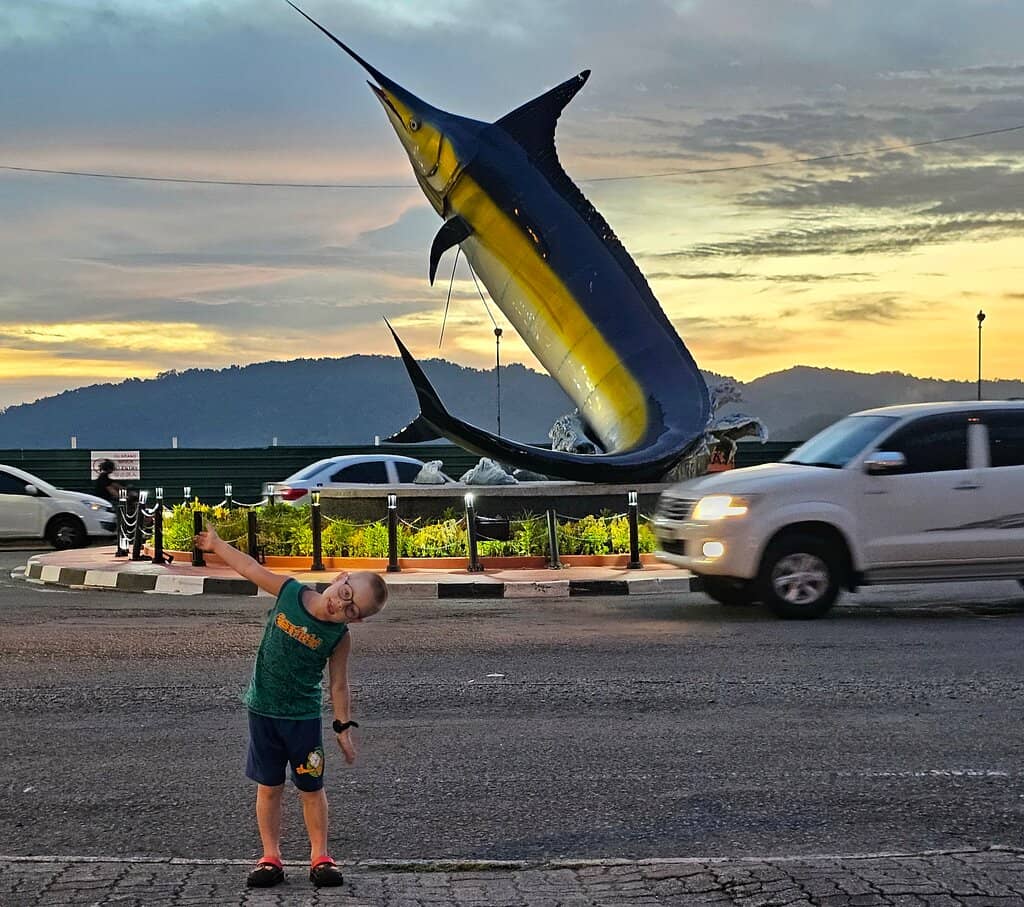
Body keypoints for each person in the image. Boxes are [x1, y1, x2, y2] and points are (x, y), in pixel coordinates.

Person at [193, 524, 389, 890]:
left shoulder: (338, 637)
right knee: (269, 786)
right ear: (339, 578)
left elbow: (338, 684)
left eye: (351, 609)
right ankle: (270, 857)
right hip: (263, 710)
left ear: (357, 619)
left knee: (311, 787)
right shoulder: (289, 593)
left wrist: (342, 726)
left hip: (303, 719)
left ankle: (320, 857)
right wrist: (218, 545)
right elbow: (251, 569)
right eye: (344, 593)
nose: (340, 604)